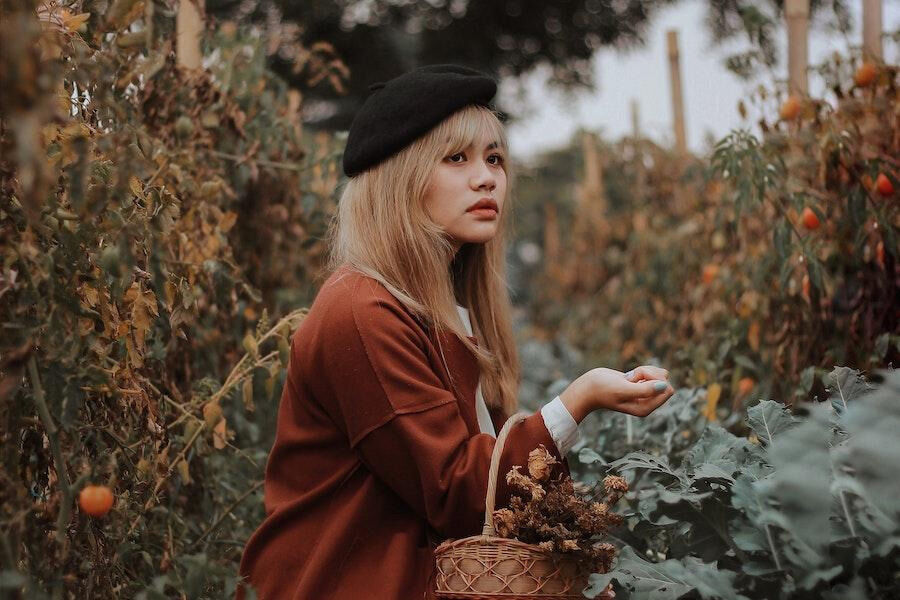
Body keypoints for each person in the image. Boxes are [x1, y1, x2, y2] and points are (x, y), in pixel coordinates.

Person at [236, 64, 675, 600]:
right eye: (456, 159)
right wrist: (576, 401)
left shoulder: (447, 309)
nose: (486, 177)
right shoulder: (361, 310)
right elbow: (460, 495)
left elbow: (492, 510)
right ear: (400, 178)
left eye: (494, 158)